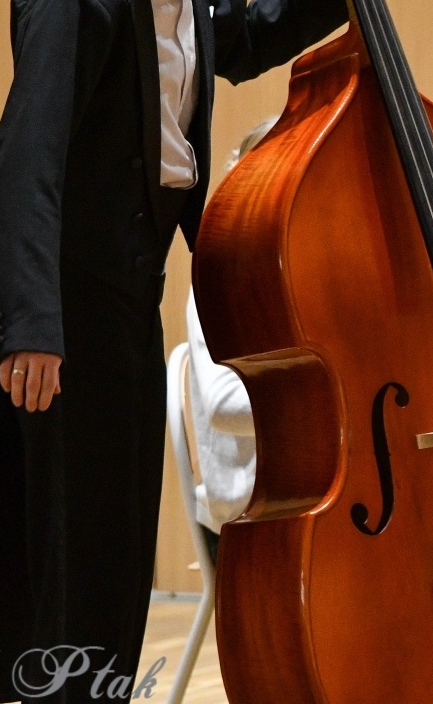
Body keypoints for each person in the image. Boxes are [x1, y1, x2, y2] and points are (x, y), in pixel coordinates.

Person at [0, 0, 378, 704]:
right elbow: (27, 168)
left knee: (108, 550)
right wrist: (31, 326)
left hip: (121, 297)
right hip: (58, 317)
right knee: (61, 561)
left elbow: (249, 36)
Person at [183, 119, 277, 563]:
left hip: (304, 494)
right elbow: (223, 406)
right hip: (249, 509)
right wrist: (325, 401)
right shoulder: (216, 281)